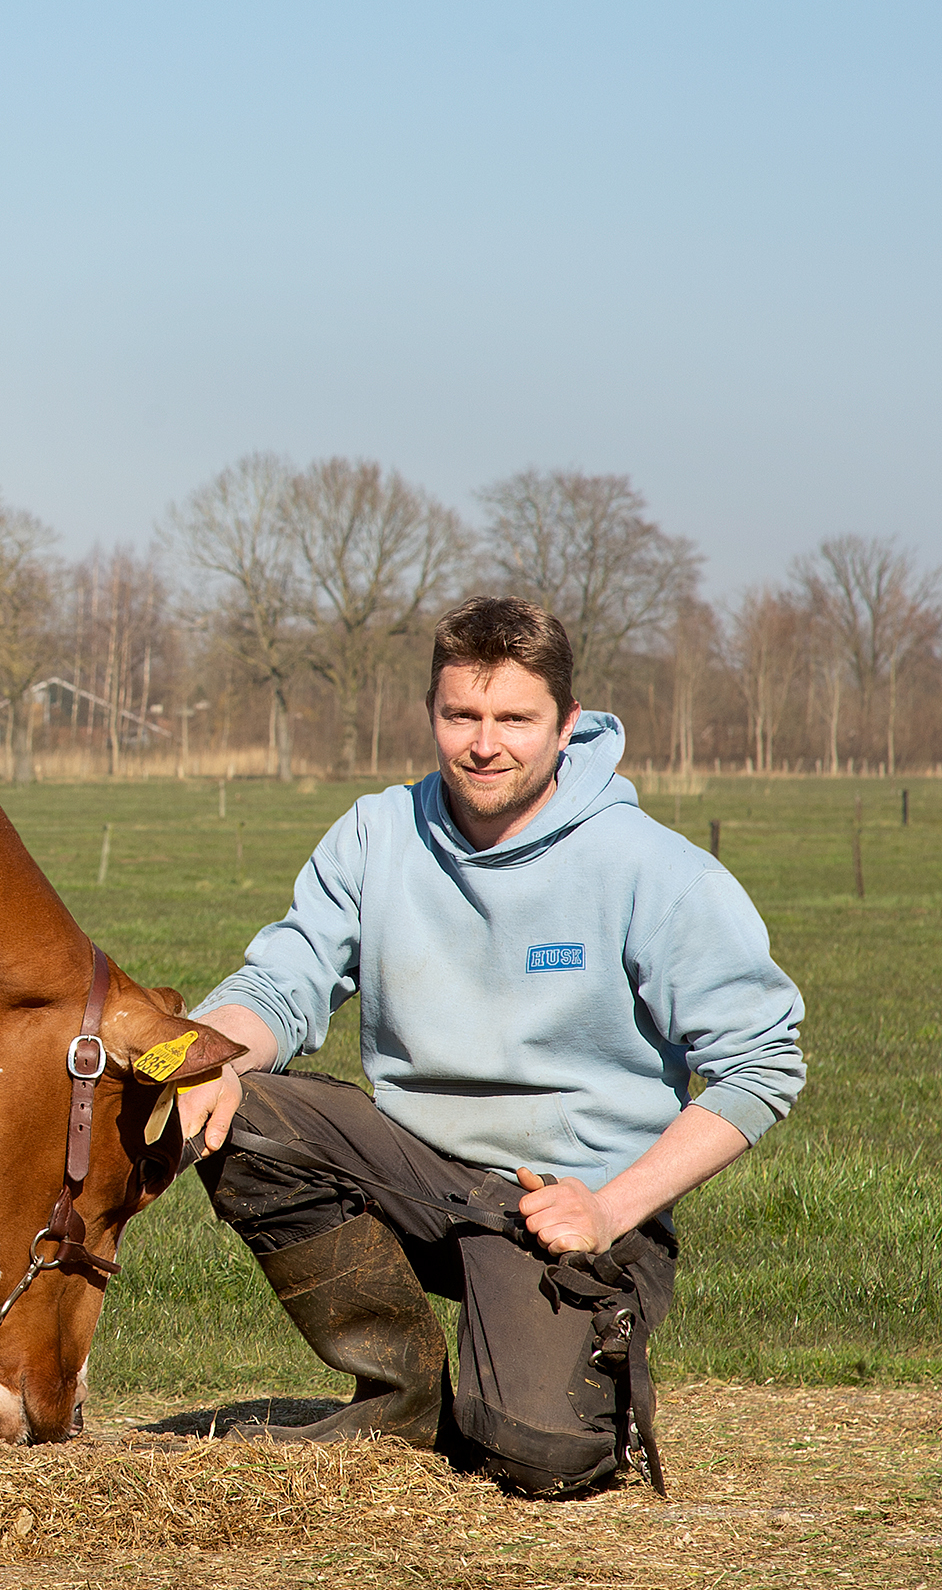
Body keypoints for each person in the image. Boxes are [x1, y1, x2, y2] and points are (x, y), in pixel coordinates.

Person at [174, 596, 805, 1496]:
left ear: (567, 725)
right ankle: (400, 1397)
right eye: (461, 715)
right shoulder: (376, 834)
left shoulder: (652, 869)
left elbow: (763, 1062)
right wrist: (207, 1058)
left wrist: (611, 1208)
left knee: (538, 1457)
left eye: (515, 718)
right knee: (237, 1111)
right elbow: (281, 984)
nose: (485, 743)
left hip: (567, 1202)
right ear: (430, 711)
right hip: (416, 1170)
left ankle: (582, 1370)